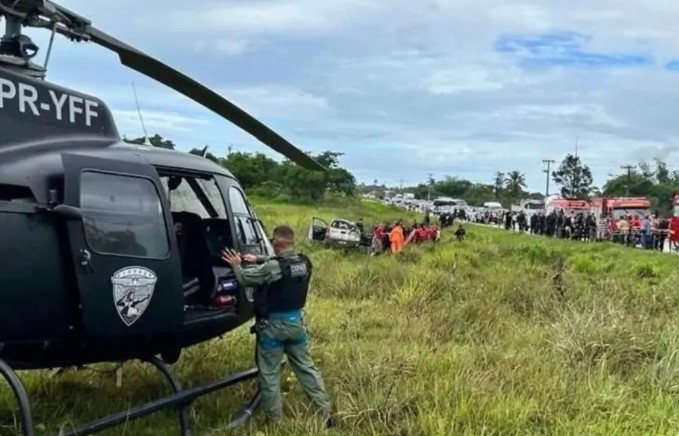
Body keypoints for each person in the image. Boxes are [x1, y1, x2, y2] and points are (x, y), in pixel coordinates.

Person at [221, 225, 333, 426]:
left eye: (273, 242)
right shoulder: (305, 262)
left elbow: (246, 278)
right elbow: (282, 266)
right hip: (296, 325)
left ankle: (275, 422)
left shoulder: (273, 267)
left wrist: (236, 264)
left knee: (270, 374)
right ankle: (325, 412)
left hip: (273, 328)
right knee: (306, 368)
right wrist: (258, 259)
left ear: (277, 243)